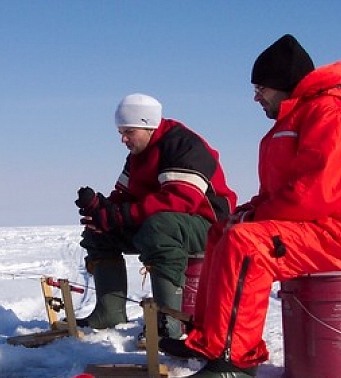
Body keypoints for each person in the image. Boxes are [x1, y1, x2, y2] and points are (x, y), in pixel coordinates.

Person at [162, 34, 341, 378]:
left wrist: (257, 217)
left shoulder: (333, 114)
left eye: (261, 88)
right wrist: (250, 211)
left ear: (284, 84)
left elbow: (316, 191)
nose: (256, 97)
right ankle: (209, 341)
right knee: (222, 230)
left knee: (246, 245)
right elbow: (284, 191)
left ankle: (233, 366)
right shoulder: (299, 115)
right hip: (313, 224)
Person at [74, 93, 237, 341]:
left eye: (128, 131)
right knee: (100, 230)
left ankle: (168, 323)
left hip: (209, 225)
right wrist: (103, 210)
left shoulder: (182, 145)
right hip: (166, 223)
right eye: (121, 132)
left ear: (147, 124)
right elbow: (125, 195)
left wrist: (122, 215)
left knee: (160, 227)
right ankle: (109, 312)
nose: (123, 139)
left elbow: (180, 200)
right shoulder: (139, 153)